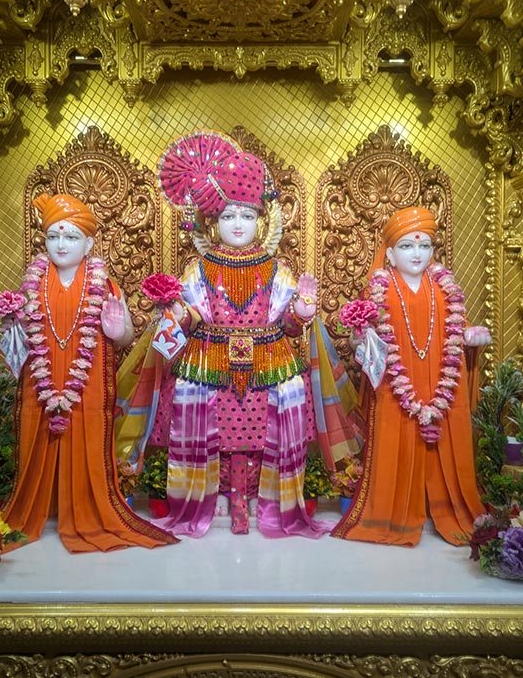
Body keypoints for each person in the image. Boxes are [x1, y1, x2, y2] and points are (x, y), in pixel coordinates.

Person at [118, 131, 359, 537]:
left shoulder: (277, 270)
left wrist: (300, 315)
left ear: (262, 222)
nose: (238, 224)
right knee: (212, 424)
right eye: (229, 216)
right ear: (213, 223)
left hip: (270, 363)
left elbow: (287, 322)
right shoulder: (199, 269)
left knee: (269, 424)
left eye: (247, 216)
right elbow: (191, 315)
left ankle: (258, 498)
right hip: (209, 364)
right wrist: (175, 315)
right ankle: (217, 497)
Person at [0, 192, 177, 553]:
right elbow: (18, 337)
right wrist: (11, 324)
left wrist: (117, 331)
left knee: (88, 434)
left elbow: (125, 334)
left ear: (89, 243)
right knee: (39, 431)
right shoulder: (32, 283)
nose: (61, 245)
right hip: (42, 379)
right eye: (53, 237)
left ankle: (85, 510)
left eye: (71, 237)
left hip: (88, 380)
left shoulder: (104, 286)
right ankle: (42, 507)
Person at [332, 206, 490, 547]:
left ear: (433, 250)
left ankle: (446, 509)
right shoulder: (380, 289)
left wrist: (471, 338)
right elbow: (364, 341)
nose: (416, 254)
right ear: (389, 253)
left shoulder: (445, 289)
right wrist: (360, 339)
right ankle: (394, 514)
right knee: (396, 431)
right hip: (395, 384)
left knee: (445, 436)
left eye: (424, 246)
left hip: (439, 380)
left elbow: (455, 331)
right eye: (406, 246)